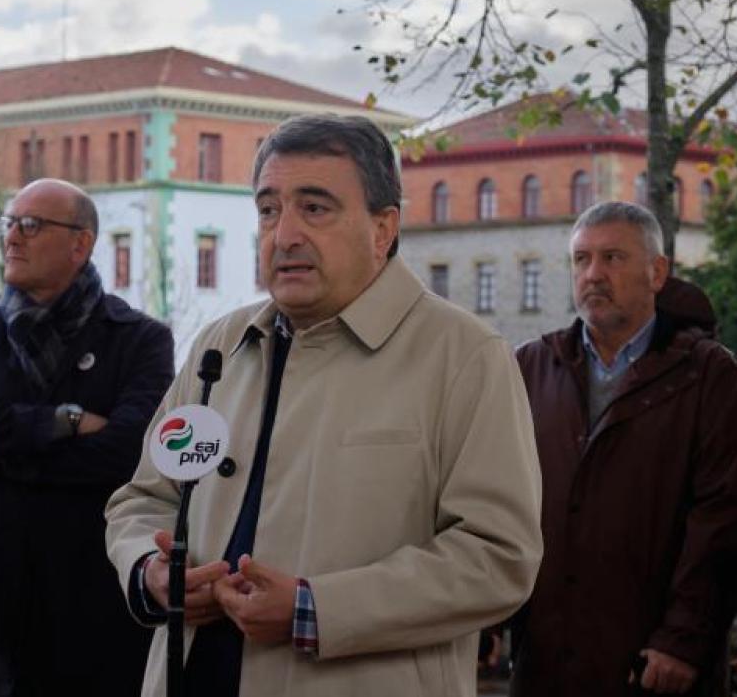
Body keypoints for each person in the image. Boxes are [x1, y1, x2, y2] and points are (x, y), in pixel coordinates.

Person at [104, 114, 543, 696]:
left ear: (383, 228)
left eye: (314, 208)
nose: (284, 234)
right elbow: (144, 500)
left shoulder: (464, 355)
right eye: (268, 209)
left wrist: (315, 609)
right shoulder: (220, 345)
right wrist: (151, 570)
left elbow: (498, 557)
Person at [511, 201, 737, 696]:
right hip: (545, 660)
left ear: (657, 272)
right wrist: (492, 620)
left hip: (652, 664)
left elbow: (724, 520)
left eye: (613, 258)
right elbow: (502, 502)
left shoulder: (712, 375)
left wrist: (682, 641)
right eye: (581, 259)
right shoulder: (531, 367)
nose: (593, 274)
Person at [0, 178, 174, 696]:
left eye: (31, 225)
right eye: (10, 223)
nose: (12, 237)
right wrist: (68, 422)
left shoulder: (140, 340)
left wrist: (4, 451)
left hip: (93, 595)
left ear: (81, 243)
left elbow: (127, 453)